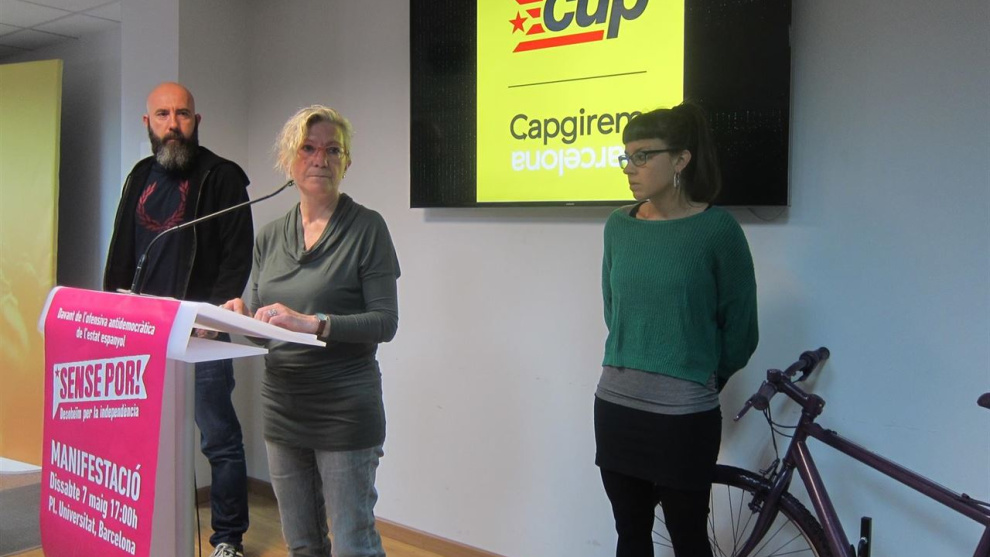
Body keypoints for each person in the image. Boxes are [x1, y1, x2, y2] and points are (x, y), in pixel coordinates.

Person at [222, 105, 399, 557]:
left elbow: (385, 322)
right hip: (283, 409)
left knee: (353, 543)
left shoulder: (368, 228)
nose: (320, 158)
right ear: (288, 159)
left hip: (345, 411)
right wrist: (237, 317)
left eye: (332, 150)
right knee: (302, 544)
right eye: (308, 148)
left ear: (346, 162)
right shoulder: (269, 236)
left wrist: (314, 322)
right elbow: (263, 329)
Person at [596, 102, 759, 557]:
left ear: (681, 160)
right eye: (627, 156)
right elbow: (614, 311)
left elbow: (741, 331)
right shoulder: (619, 226)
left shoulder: (717, 230)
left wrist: (696, 378)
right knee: (630, 535)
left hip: (684, 416)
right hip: (617, 406)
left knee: (688, 539)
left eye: (643, 156)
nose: (630, 168)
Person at [104, 82, 252, 557]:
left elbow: (237, 257)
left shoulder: (222, 177)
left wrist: (211, 317)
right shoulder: (139, 176)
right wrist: (113, 316)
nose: (173, 124)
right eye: (163, 115)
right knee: (143, 440)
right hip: (145, 331)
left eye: (182, 114)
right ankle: (148, 530)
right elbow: (121, 249)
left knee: (219, 439)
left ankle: (227, 539)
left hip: (199, 331)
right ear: (147, 123)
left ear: (196, 121)